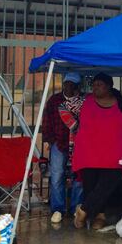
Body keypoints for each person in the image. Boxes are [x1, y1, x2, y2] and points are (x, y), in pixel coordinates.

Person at [59, 72, 122, 230]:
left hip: (114, 154)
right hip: (87, 152)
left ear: (109, 87)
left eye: (99, 85)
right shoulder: (84, 102)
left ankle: (83, 210)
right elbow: (63, 107)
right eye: (94, 85)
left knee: (107, 185)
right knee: (91, 186)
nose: (95, 88)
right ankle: (99, 216)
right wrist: (74, 126)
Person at [42, 72, 83, 224]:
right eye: (67, 84)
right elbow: (46, 120)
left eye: (72, 85)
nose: (68, 87)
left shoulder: (83, 101)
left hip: (79, 145)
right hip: (59, 143)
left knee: (78, 176)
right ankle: (57, 208)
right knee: (57, 175)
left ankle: (75, 208)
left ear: (77, 86)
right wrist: (49, 140)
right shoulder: (54, 100)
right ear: (64, 84)